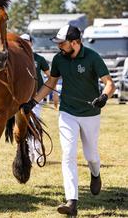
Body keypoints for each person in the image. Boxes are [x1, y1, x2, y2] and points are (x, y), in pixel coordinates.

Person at [20, 25, 116, 216]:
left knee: (91, 156)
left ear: (75, 42)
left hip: (90, 114)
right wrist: (32, 102)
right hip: (67, 113)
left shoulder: (92, 57)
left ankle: (95, 173)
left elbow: (110, 83)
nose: (59, 46)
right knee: (68, 155)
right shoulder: (58, 59)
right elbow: (50, 84)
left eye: (62, 43)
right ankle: (72, 202)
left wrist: (104, 97)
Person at [20, 33, 58, 163]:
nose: (24, 43)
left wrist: (55, 93)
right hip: (21, 98)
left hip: (36, 96)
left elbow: (50, 77)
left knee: (35, 124)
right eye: (22, 41)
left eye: (27, 41)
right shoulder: (15, 59)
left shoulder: (39, 59)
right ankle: (28, 152)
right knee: (23, 126)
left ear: (31, 43)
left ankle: (38, 152)